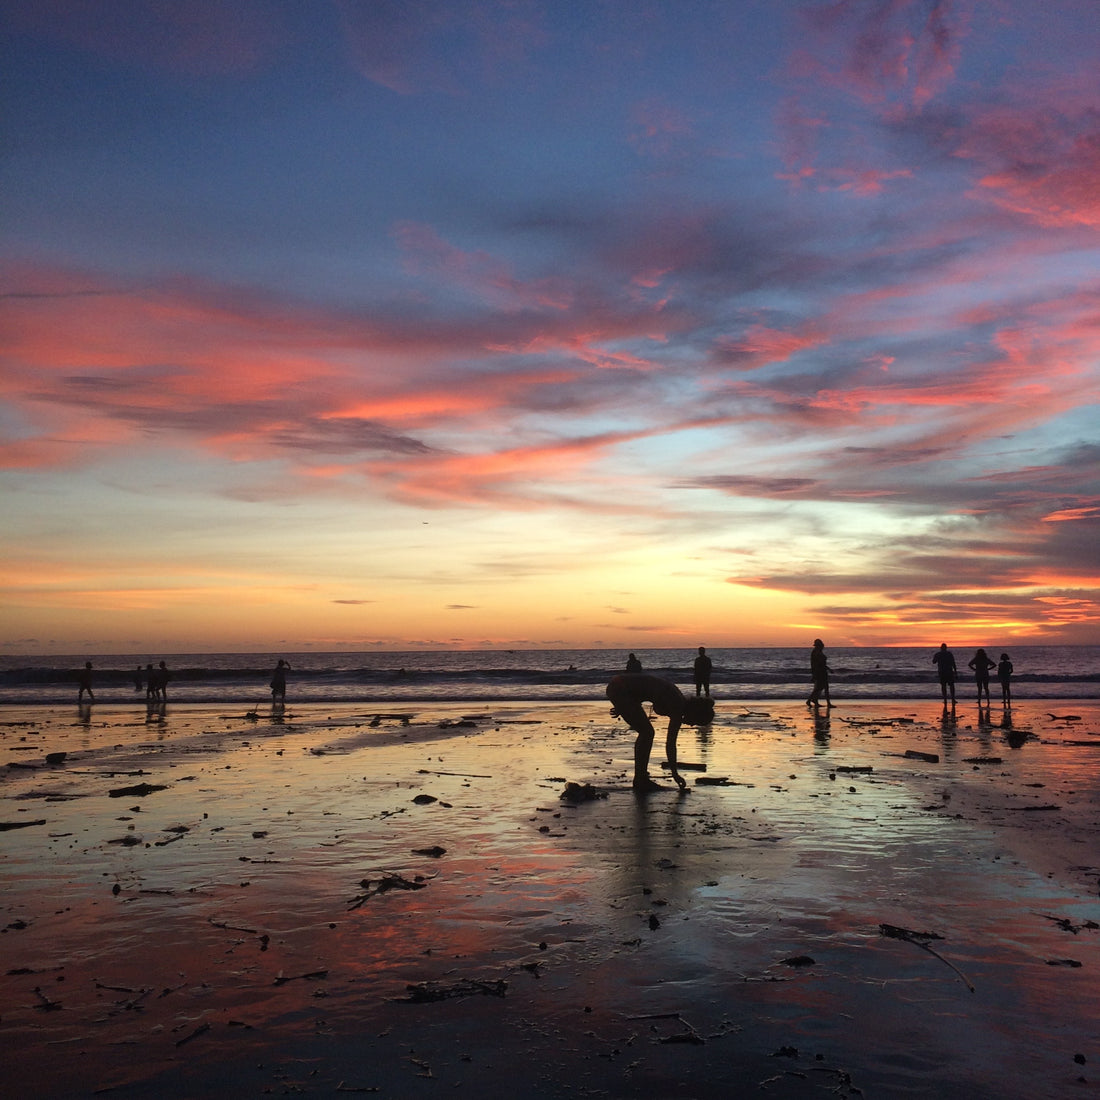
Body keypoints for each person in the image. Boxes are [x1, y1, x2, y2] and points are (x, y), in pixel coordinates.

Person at [606, 673, 714, 793]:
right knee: (647, 732)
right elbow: (670, 744)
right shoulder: (677, 706)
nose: (692, 725)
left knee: (646, 732)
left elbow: (643, 689)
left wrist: (625, 706)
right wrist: (675, 774)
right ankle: (641, 779)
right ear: (695, 713)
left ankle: (641, 777)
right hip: (620, 688)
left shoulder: (678, 699)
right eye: (696, 721)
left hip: (621, 688)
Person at [806, 638, 833, 707]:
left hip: (822, 671)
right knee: (822, 688)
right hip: (820, 672)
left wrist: (828, 669)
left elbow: (821, 664)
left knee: (819, 688)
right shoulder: (816, 653)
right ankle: (827, 703)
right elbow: (817, 664)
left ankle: (812, 700)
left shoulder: (818, 652)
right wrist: (815, 674)